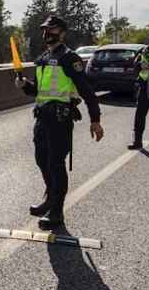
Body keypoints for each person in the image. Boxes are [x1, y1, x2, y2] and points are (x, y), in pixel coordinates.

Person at [16, 15, 103, 231]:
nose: (47, 34)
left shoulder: (69, 58)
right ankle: (49, 198)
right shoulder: (43, 58)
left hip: (59, 119)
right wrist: (24, 85)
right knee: (41, 160)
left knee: (56, 164)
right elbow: (38, 90)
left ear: (62, 33)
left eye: (52, 30)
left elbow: (86, 91)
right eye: (45, 30)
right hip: (42, 117)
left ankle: (56, 212)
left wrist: (95, 120)